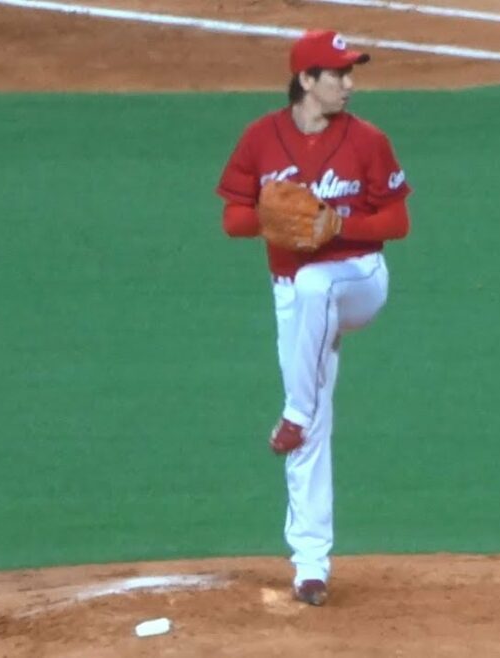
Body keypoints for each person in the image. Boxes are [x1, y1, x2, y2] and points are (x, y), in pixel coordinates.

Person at [214, 29, 413, 606]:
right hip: (294, 299)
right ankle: (310, 566)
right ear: (306, 80)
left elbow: (397, 223)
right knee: (313, 418)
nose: (349, 84)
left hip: (359, 281)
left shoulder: (369, 140)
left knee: (316, 281)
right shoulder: (260, 138)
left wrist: (336, 226)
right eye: (338, 74)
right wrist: (274, 219)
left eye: (351, 74)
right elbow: (232, 219)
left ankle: (294, 411)